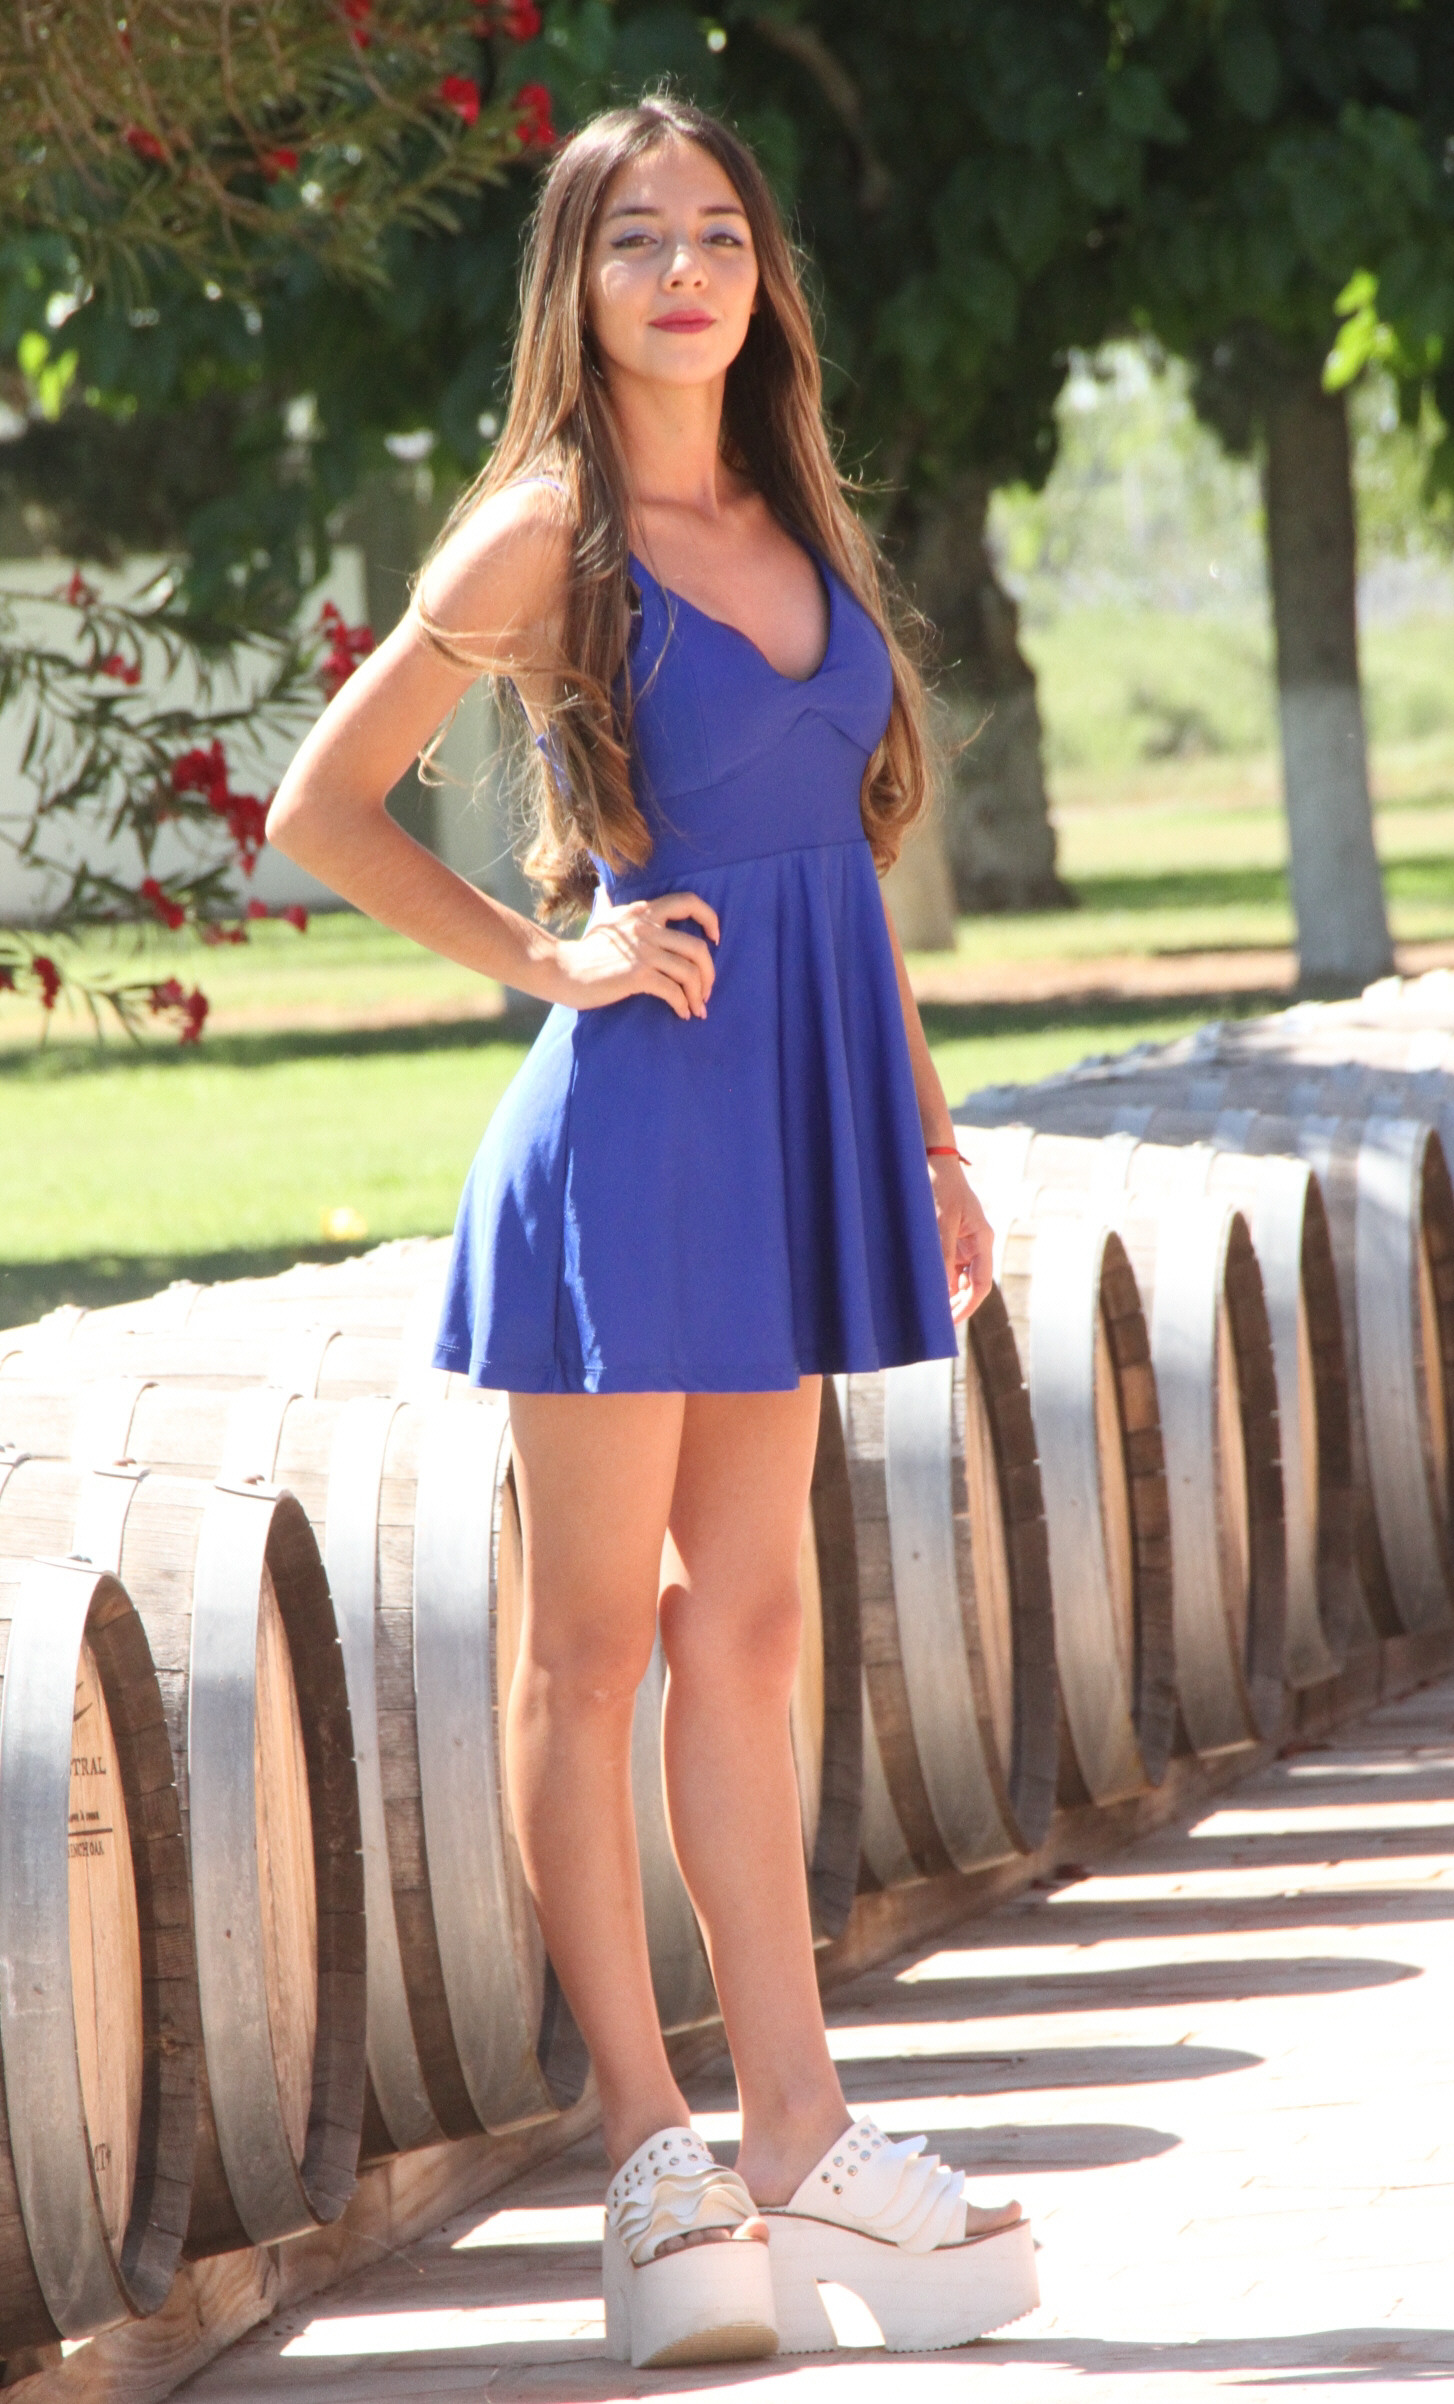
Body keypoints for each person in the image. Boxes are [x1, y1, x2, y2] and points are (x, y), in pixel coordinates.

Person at [267, 92, 1036, 2369]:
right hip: (626, 1139)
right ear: (576, 286)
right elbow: (322, 803)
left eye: (716, 232)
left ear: (764, 277)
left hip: (799, 1134)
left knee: (757, 1622)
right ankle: (647, 2148)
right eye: (634, 239)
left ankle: (799, 2125)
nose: (684, 269)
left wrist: (928, 1139)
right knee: (592, 1644)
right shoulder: (543, 528)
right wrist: (552, 955)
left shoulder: (792, 514)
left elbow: (841, 873)